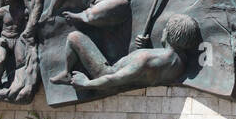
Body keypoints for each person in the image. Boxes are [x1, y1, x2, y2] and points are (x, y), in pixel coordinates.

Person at [52, 13, 200, 97]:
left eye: (165, 29)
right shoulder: (180, 62)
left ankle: (66, 73)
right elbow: (152, 71)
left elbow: (115, 78)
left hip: (106, 77)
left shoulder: (146, 59)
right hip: (131, 81)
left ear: (168, 33)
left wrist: (85, 84)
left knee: (74, 37)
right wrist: (146, 48)